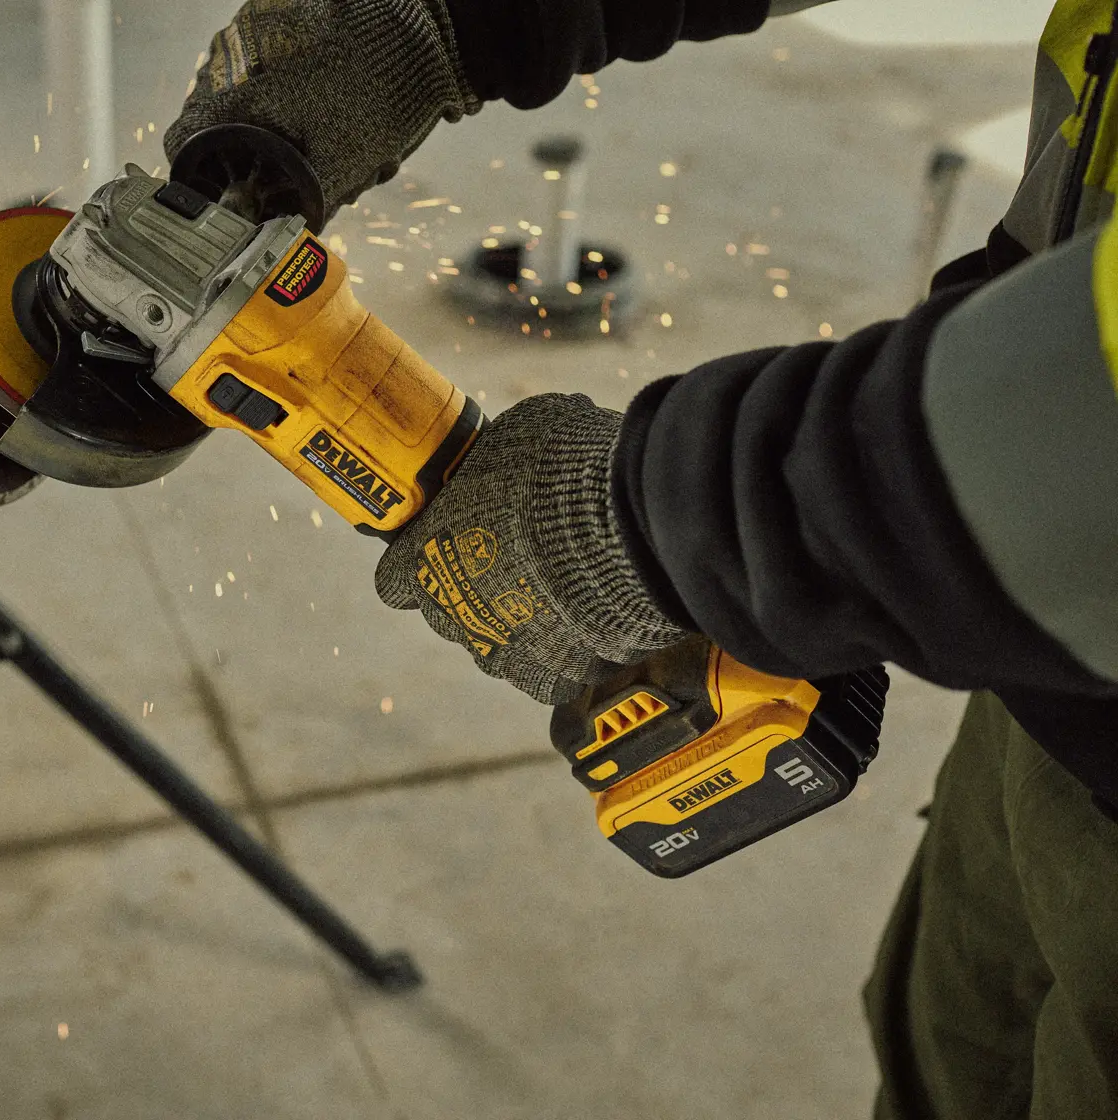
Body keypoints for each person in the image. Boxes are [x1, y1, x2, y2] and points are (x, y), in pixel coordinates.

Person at [165, 2, 1118, 1117]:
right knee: (944, 1059)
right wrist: (442, 24)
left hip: (1050, 535)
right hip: (1052, 647)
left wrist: (661, 529)